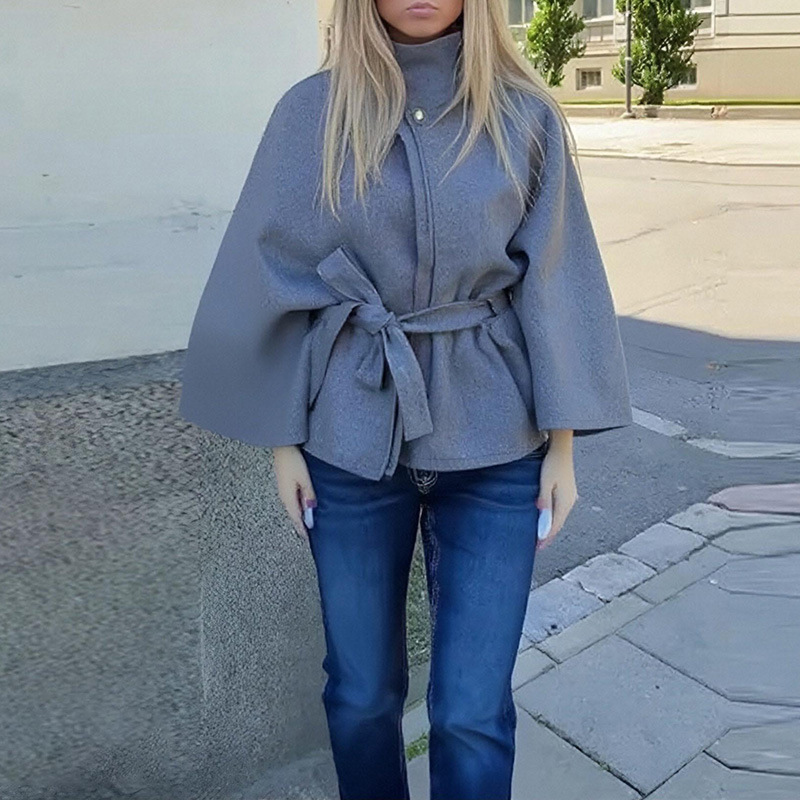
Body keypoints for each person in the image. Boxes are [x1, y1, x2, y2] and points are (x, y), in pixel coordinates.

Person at [178, 1, 633, 798]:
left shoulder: (523, 115)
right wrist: (284, 443)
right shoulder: (311, 113)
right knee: (360, 695)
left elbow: (557, 279)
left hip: (497, 443)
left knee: (471, 709)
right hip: (350, 437)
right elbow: (271, 269)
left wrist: (562, 446)